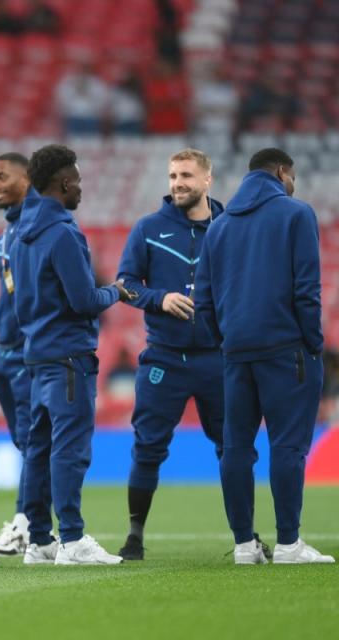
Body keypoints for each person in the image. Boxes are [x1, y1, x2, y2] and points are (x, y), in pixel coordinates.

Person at [195, 148, 334, 564]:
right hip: (287, 349)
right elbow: (307, 288)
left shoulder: (218, 227)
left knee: (236, 447)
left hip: (236, 353)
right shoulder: (296, 214)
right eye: (291, 178)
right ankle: (289, 544)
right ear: (281, 172)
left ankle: (244, 545)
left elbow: (202, 299)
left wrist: (227, 340)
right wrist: (312, 342)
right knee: (287, 446)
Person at [9, 144, 133, 565]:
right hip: (66, 356)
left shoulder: (21, 233)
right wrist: (115, 291)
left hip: (36, 355)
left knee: (39, 450)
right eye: (76, 180)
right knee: (70, 449)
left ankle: (41, 540)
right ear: (63, 182)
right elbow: (82, 299)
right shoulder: (62, 231)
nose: (79, 188)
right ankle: (73, 539)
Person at [115, 149, 235, 560]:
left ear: (207, 180)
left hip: (218, 357)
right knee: (147, 446)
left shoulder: (230, 228)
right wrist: (159, 298)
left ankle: (246, 537)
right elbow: (125, 283)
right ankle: (134, 536)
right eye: (172, 175)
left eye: (186, 175)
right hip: (164, 358)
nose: (177, 182)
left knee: (231, 446)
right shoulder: (148, 228)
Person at [0, 152, 33, 557]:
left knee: (37, 446)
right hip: (8, 352)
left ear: (28, 178)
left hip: (28, 354)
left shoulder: (38, 230)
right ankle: (35, 525)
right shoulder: (7, 236)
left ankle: (25, 522)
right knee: (32, 448)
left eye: (2, 176)